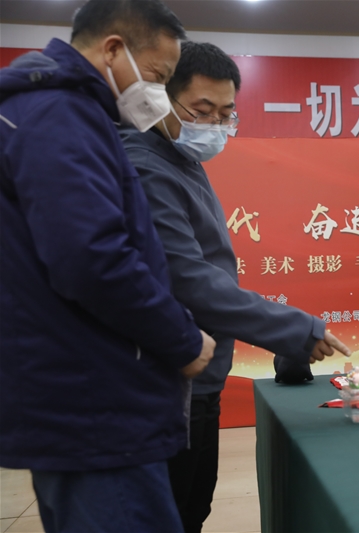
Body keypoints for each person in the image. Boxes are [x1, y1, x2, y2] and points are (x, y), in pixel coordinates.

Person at [0, 1, 218, 531]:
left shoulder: (54, 111)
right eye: (158, 77)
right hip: (94, 401)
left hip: (78, 391)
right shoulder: (60, 115)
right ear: (114, 49)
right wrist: (182, 340)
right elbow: (92, 258)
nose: (157, 93)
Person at [119, 41, 351, 532]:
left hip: (199, 376)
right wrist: (296, 329)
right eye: (202, 110)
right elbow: (190, 280)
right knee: (171, 515)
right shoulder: (145, 166)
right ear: (161, 97)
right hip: (168, 380)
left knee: (192, 509)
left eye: (226, 114)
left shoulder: (182, 161)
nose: (214, 124)